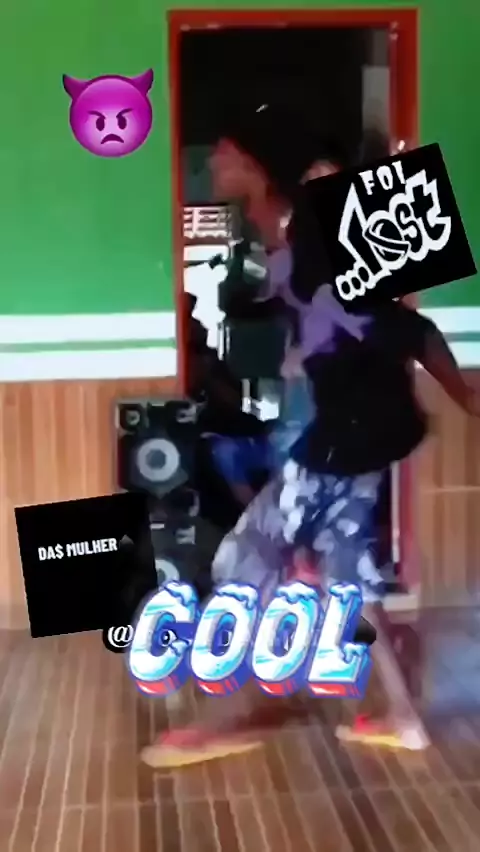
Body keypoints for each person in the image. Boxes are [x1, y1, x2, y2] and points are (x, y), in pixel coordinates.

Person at [141, 106, 480, 767]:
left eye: (226, 151)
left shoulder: (313, 236)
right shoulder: (287, 231)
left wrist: (463, 394)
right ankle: (405, 718)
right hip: (361, 432)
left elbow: (402, 327)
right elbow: (346, 318)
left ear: (256, 163)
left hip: (343, 436)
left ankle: (231, 716)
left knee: (245, 556)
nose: (214, 162)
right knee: (351, 574)